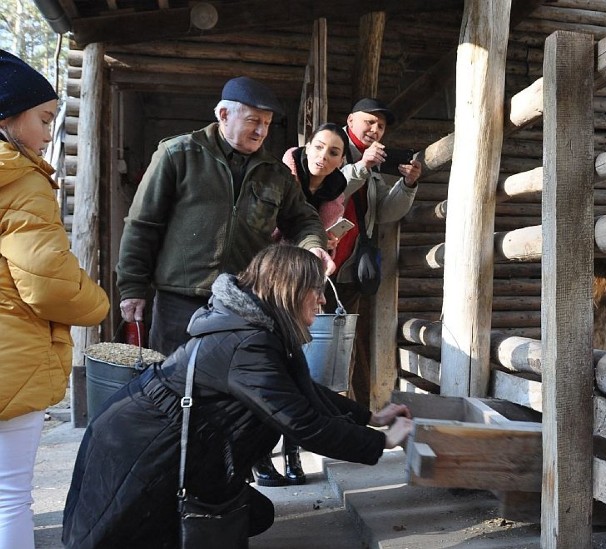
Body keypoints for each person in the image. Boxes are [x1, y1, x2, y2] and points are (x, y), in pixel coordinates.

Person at [62, 244, 414, 549]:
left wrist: (370, 418)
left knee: (252, 515)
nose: (322, 299)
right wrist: (380, 442)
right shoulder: (247, 342)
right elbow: (303, 424)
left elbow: (299, 391)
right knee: (132, 530)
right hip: (145, 446)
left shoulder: (254, 328)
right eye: (316, 289)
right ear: (289, 290)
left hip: (159, 434)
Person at [116, 76, 335, 358]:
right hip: (181, 299)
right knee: (173, 385)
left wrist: (313, 245)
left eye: (267, 123)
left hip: (244, 302)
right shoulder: (178, 155)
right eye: (253, 121)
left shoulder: (276, 173)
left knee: (233, 388)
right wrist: (132, 287)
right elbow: (143, 225)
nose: (261, 131)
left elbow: (304, 219)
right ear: (223, 115)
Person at [0, 50, 110, 549]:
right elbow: (48, 285)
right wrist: (98, 303)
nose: (48, 135)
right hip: (11, 361)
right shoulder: (20, 178)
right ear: (8, 117)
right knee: (8, 497)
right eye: (43, 119)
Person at [253, 122, 351, 487]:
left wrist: (327, 249)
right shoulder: (279, 174)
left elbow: (326, 246)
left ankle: (293, 452)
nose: (322, 157)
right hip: (266, 283)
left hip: (301, 288)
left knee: (298, 374)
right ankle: (259, 456)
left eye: (333, 153)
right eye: (318, 147)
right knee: (266, 374)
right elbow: (262, 230)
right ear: (305, 146)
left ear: (341, 162)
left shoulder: (334, 193)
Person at [332, 98, 422, 406]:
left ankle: (351, 412)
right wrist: (361, 165)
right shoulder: (330, 146)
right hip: (317, 266)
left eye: (380, 126)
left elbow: (384, 211)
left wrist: (408, 184)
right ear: (350, 119)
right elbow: (326, 192)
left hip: (348, 268)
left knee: (346, 344)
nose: (376, 129)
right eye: (369, 121)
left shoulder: (373, 165)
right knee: (316, 343)